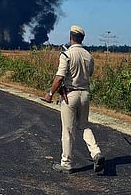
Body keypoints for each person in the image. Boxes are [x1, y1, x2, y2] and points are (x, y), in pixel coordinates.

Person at [42, 25, 105, 174]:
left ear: (71, 37)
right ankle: (96, 153)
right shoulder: (89, 56)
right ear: (82, 38)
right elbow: (89, 74)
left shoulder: (67, 55)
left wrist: (50, 93)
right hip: (85, 94)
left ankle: (66, 163)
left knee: (68, 130)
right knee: (84, 126)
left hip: (70, 95)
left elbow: (60, 77)